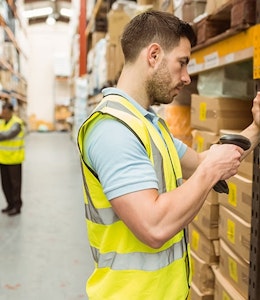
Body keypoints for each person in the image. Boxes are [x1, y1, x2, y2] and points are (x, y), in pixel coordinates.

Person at [77, 10, 260, 300]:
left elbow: (201, 161)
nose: (187, 78)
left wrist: (255, 128)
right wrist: (210, 171)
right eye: (182, 63)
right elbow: (154, 226)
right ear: (153, 55)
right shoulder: (113, 130)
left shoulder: (149, 126)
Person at [0, 102, 25, 216]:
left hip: (14, 159)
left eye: (5, 112)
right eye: (2, 112)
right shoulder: (1, 122)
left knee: (15, 185)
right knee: (5, 184)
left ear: (11, 112)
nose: (3, 114)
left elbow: (8, 135)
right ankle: (10, 204)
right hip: (3, 159)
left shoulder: (17, 123)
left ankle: (17, 206)